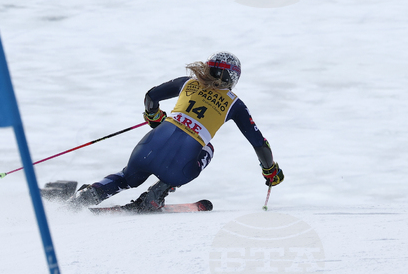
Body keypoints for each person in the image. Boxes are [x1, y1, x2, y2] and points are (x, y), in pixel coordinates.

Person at [71, 52, 283, 211]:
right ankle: (158, 192)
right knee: (208, 148)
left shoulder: (187, 83)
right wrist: (270, 170)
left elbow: (151, 96)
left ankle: (91, 194)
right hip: (179, 166)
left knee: (127, 177)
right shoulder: (235, 104)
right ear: (233, 79)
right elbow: (259, 143)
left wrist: (154, 116)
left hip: (146, 149)